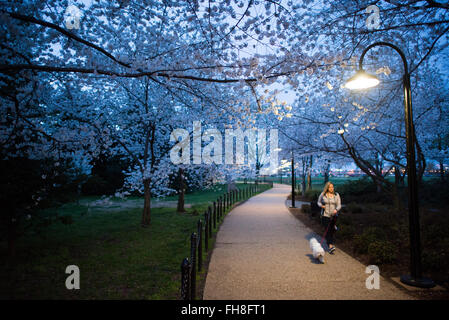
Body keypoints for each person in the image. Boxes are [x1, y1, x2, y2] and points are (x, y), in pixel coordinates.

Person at [317, 182, 341, 254]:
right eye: (330, 187)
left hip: (334, 216)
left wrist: (336, 210)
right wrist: (322, 206)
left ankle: (334, 228)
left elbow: (339, 205)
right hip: (325, 215)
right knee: (327, 230)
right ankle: (330, 246)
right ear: (327, 188)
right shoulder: (323, 194)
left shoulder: (336, 195)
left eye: (332, 187)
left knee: (331, 230)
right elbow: (318, 202)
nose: (331, 188)